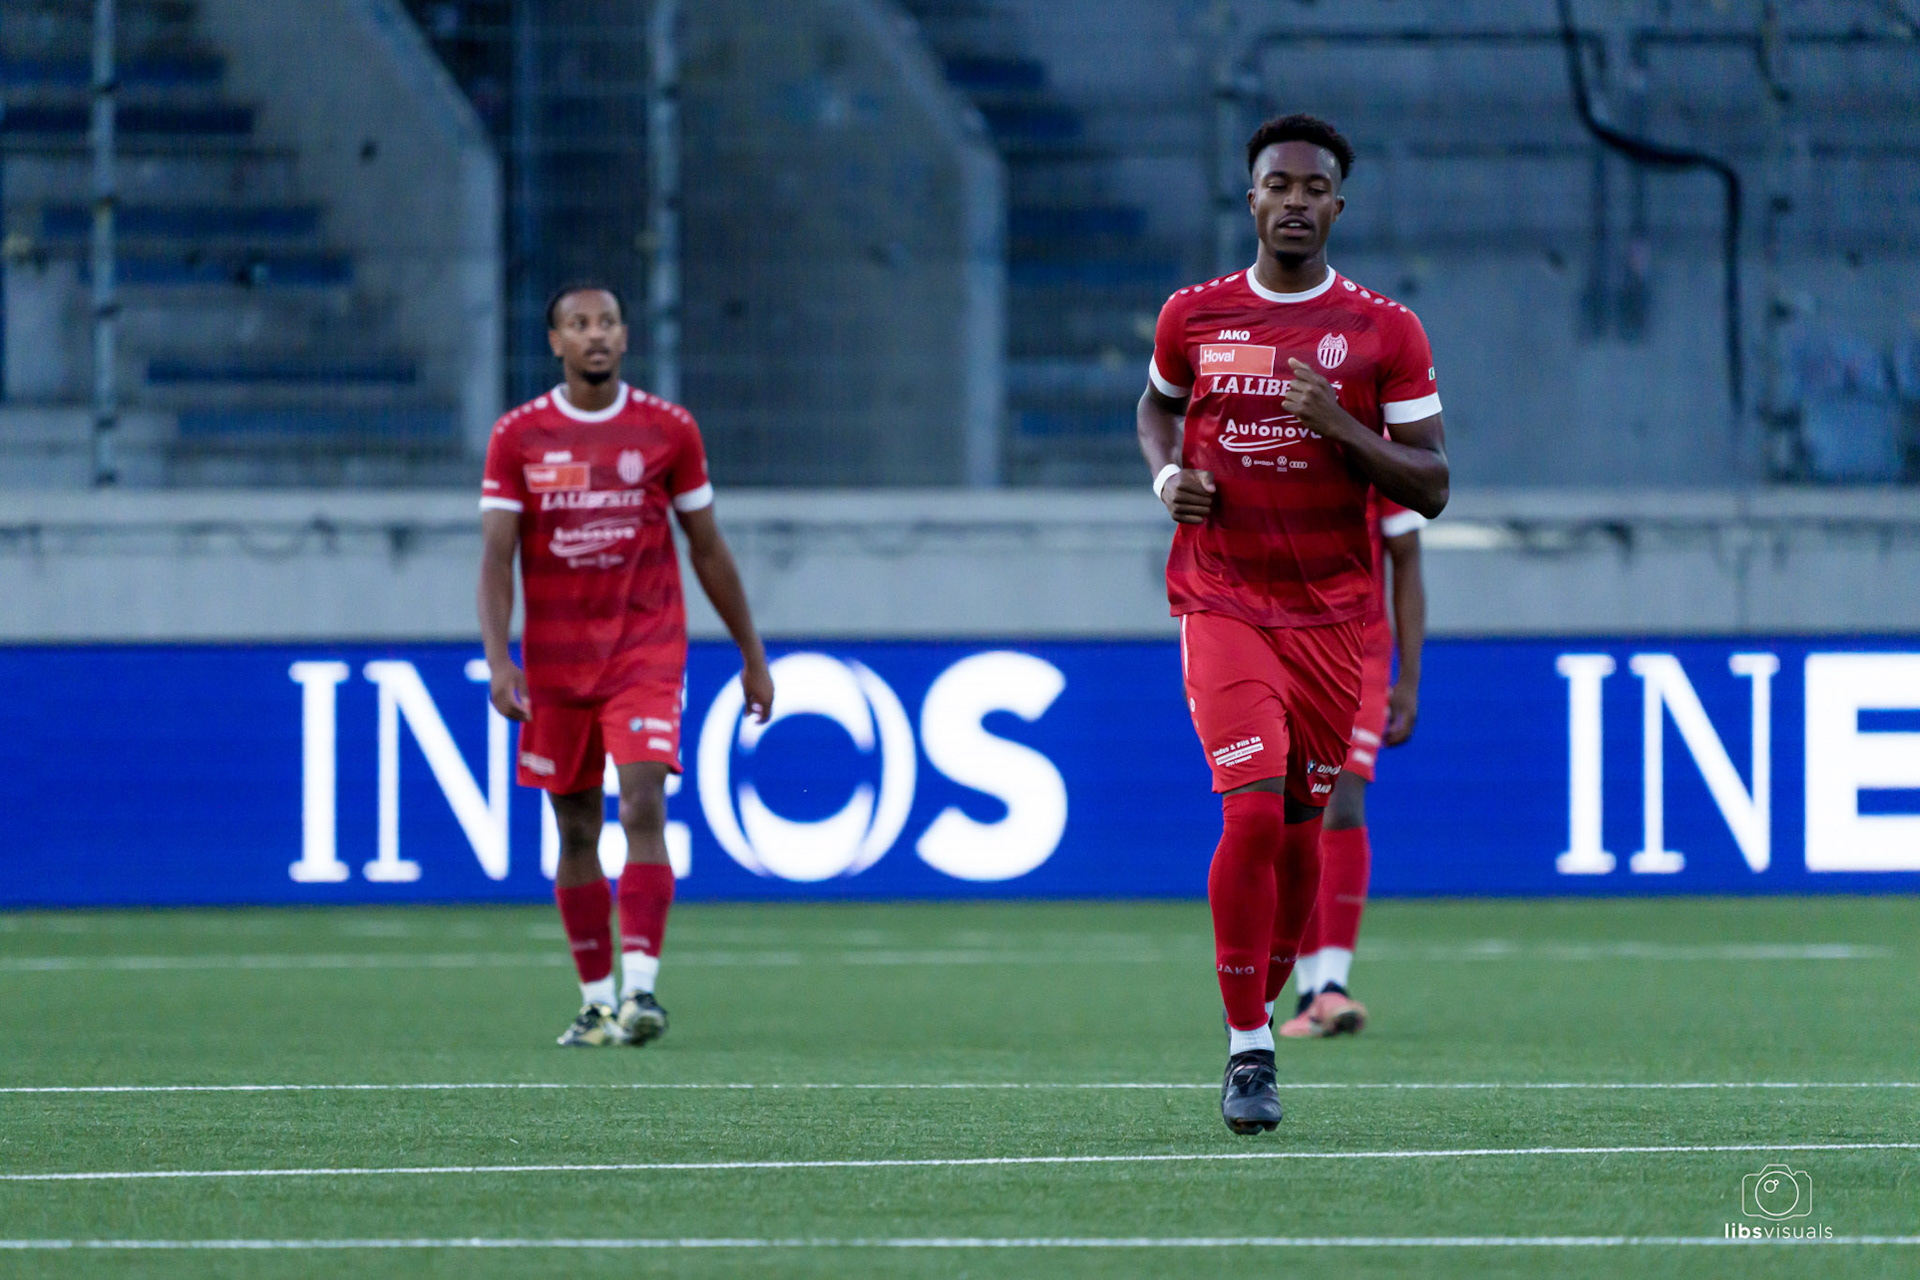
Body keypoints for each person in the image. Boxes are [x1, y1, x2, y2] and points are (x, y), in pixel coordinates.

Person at [1136, 114, 1449, 1134]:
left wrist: (1339, 424)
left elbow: (1433, 482)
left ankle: (1271, 1001)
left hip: (1331, 617)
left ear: (1338, 207)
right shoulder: (1193, 314)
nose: (1297, 201)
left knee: (1307, 827)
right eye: (1280, 184)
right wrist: (1168, 478)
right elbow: (1156, 407)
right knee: (1253, 812)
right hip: (1222, 597)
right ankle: (1249, 1047)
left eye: (1316, 188)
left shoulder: (1385, 332)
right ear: (1253, 199)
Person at [477, 283, 773, 1047]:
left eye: (607, 321)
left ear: (626, 335)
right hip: (556, 664)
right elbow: (497, 558)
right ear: (556, 342)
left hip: (645, 651)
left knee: (641, 802)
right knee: (576, 827)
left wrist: (751, 654)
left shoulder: (669, 429)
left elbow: (707, 547)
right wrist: (499, 660)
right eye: (579, 324)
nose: (596, 334)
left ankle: (641, 992)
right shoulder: (518, 437)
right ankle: (596, 1003)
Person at [1279, 491, 1428, 1038]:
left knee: (1341, 801)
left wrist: (1408, 679)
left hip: (1358, 652)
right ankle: (1305, 990)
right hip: (1277, 643)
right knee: (1288, 811)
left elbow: (1407, 558)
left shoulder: (1379, 457)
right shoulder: (1259, 446)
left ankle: (1332, 984)